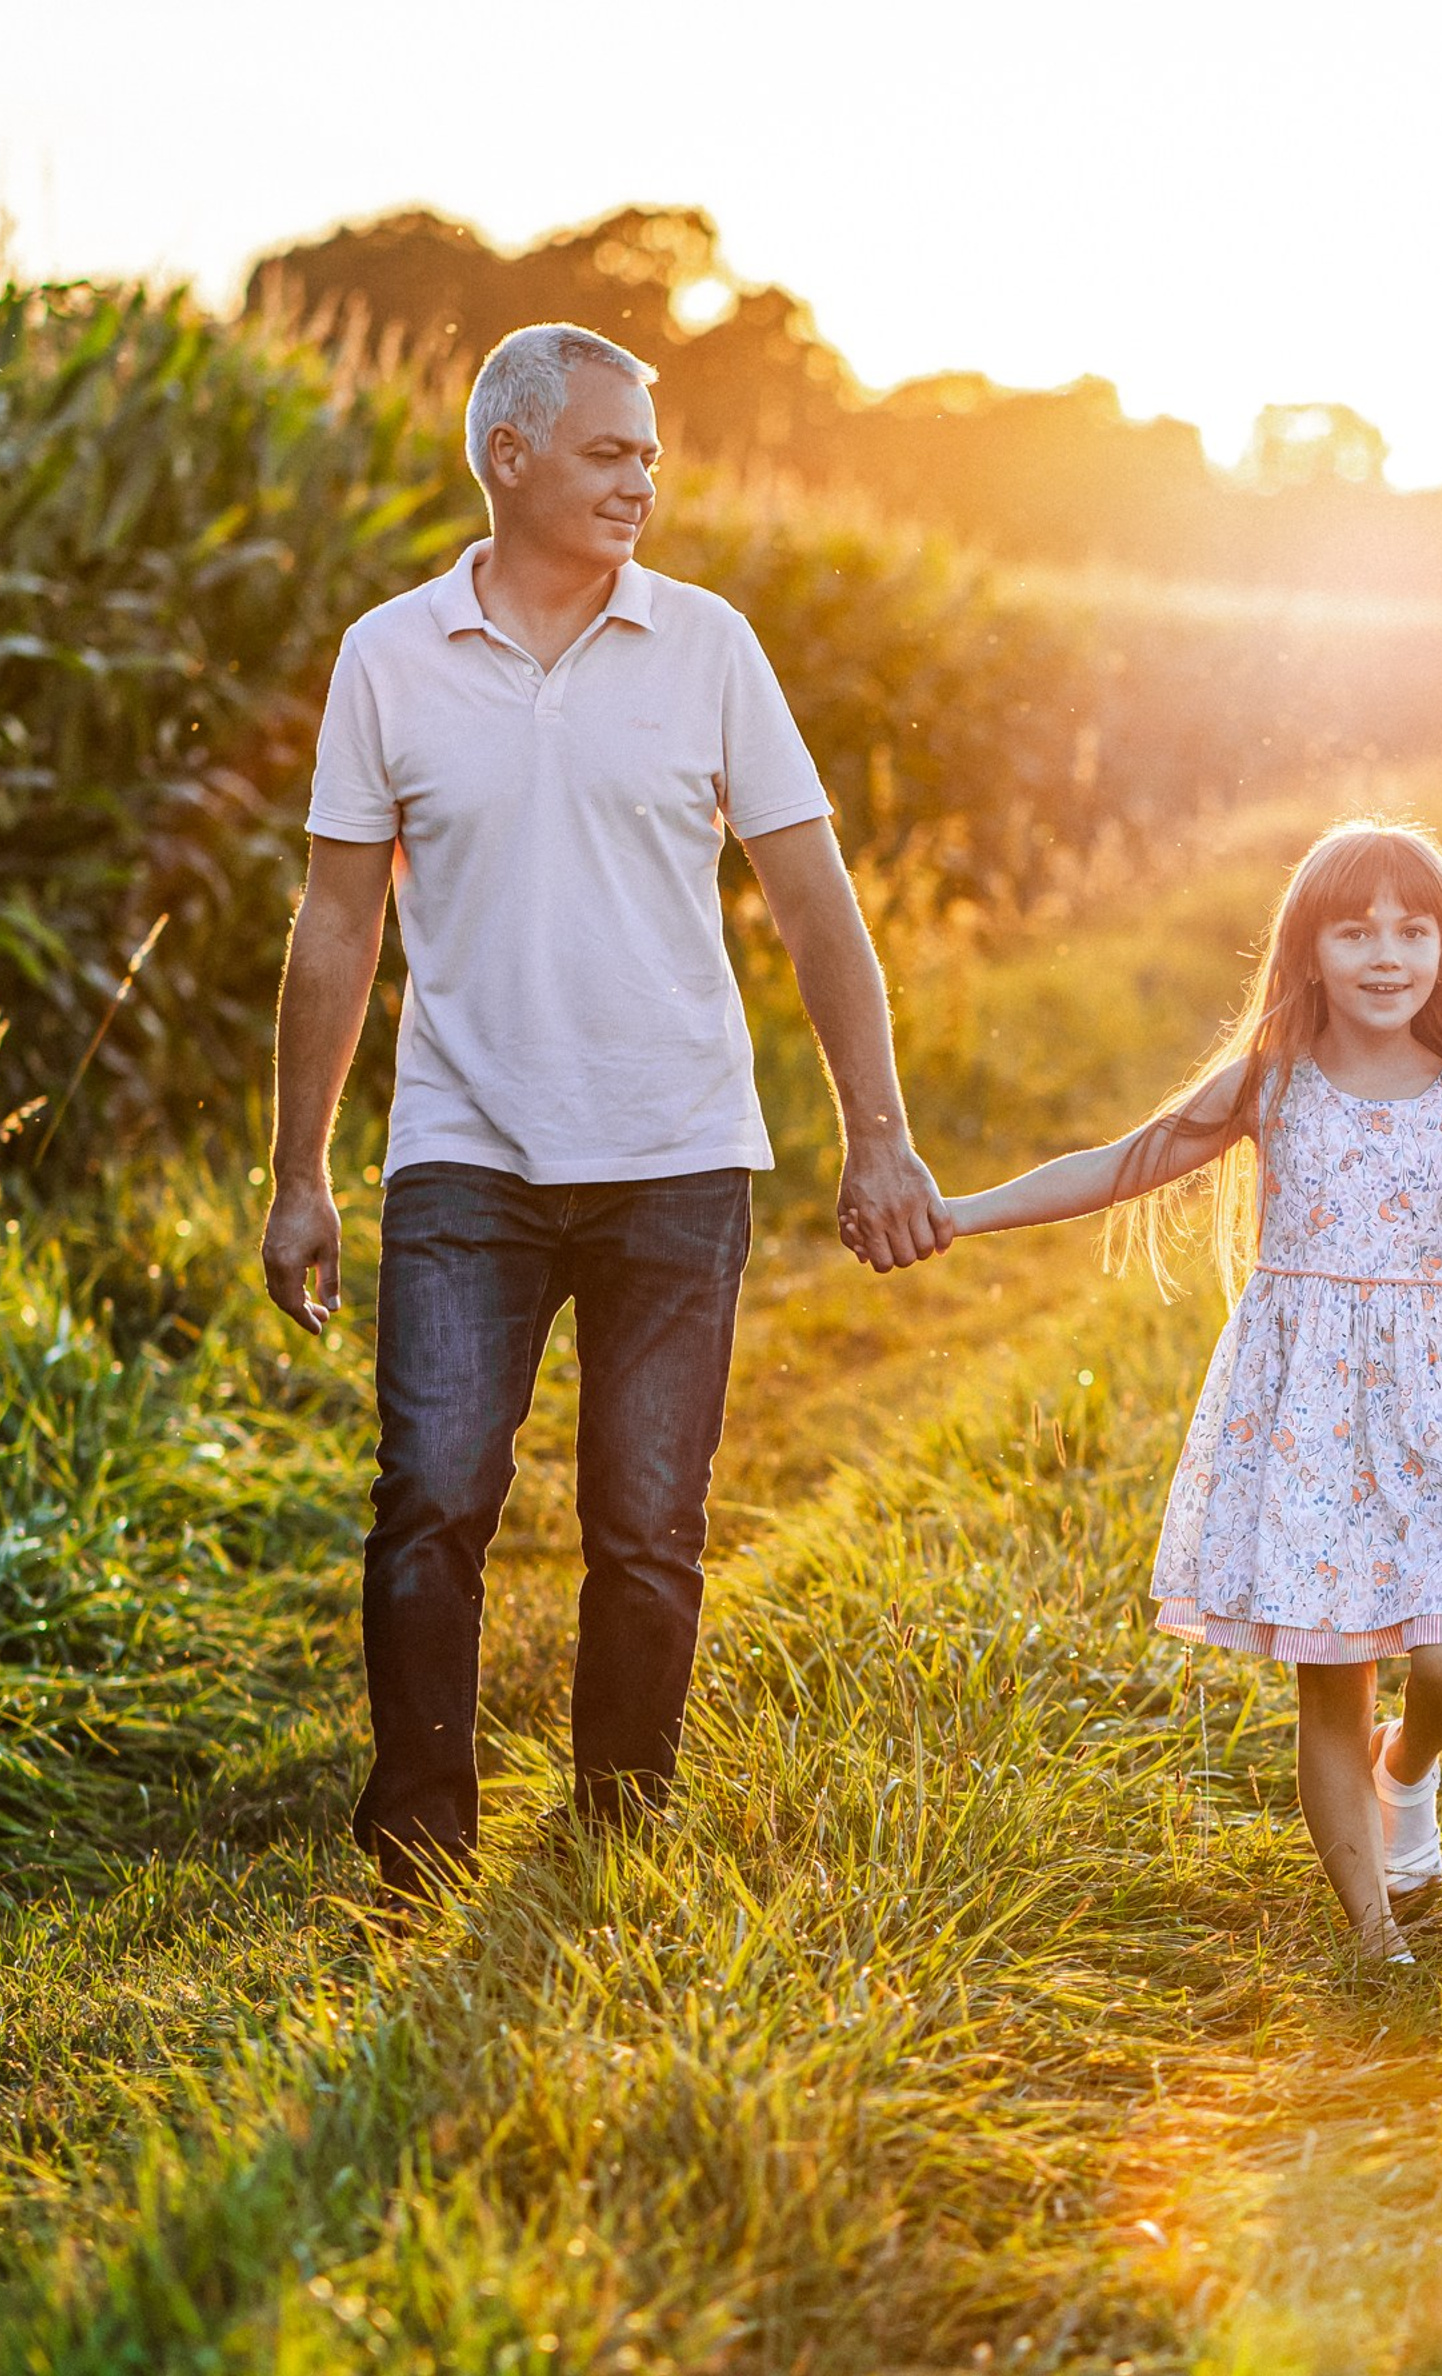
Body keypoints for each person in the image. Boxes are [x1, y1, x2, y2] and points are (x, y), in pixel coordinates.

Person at [260, 322, 952, 1904]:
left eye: (649, 452)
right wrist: (300, 1172)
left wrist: (879, 1130)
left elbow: (813, 902)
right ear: (509, 455)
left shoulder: (709, 646)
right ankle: (419, 1844)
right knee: (432, 1497)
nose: (644, 479)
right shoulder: (389, 655)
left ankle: (620, 1834)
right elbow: (337, 928)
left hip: (675, 1153)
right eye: (609, 451)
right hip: (463, 1152)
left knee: (649, 1524)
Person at [935, 818, 1442, 1962]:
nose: (1385, 955)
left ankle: (1410, 1767)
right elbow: (1116, 1165)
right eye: (1355, 931)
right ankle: (1374, 1933)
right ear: (1307, 952)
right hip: (1303, 1424)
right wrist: (959, 1212)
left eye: (1411, 929)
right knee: (1327, 1685)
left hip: (1441, 1418)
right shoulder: (1271, 1087)